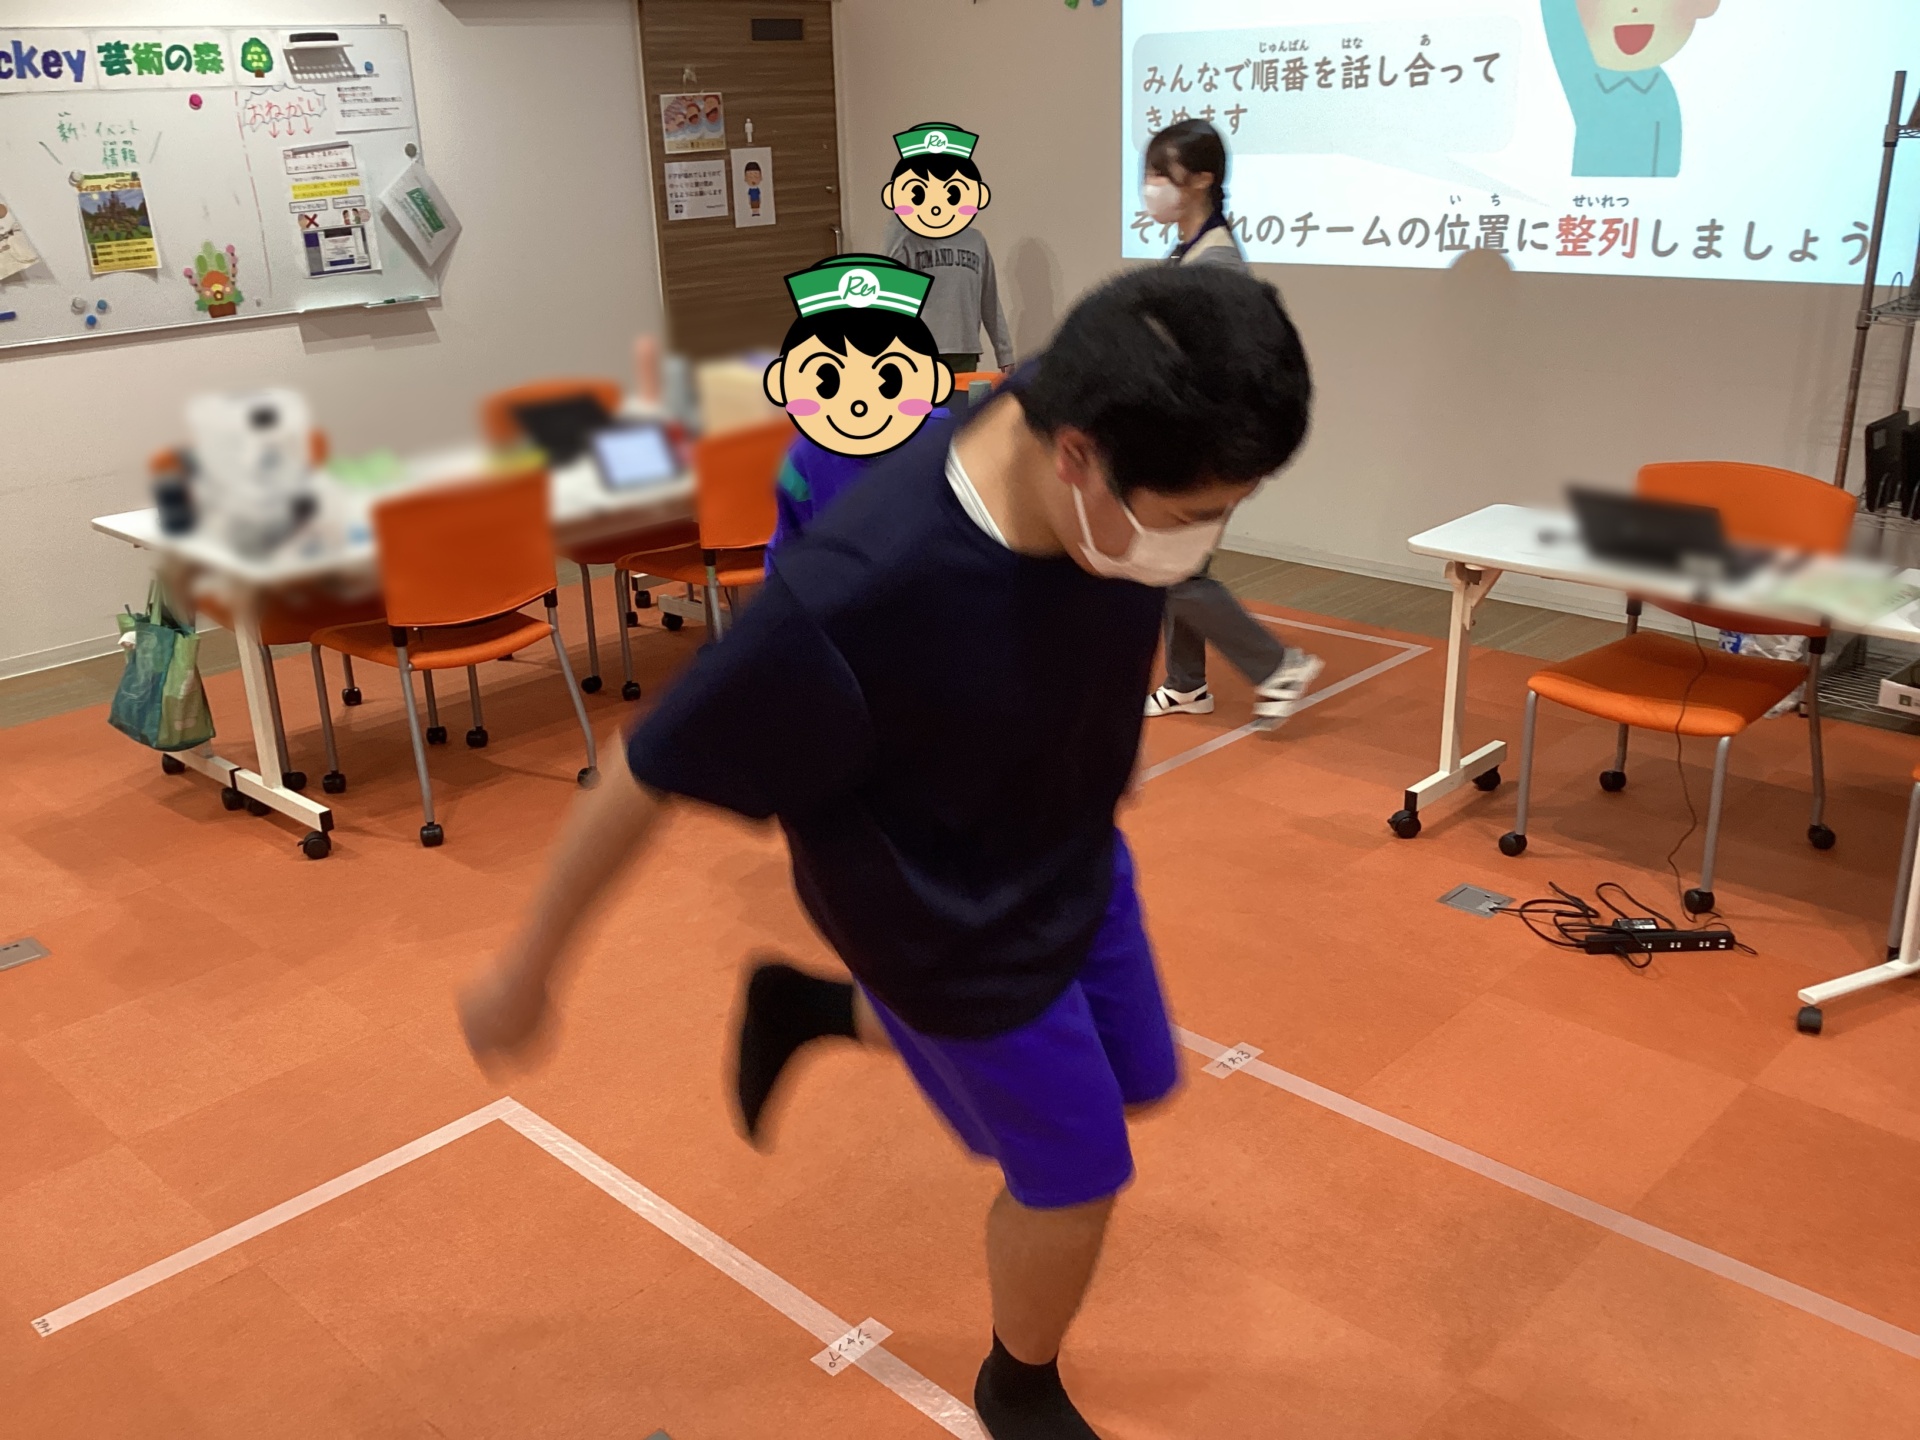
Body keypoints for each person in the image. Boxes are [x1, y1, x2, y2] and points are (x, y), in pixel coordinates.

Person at [459, 263, 1312, 1439]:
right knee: (1076, 1177)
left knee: (1140, 1079)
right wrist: (526, 970)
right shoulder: (854, 597)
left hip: (1067, 843)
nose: (1200, 545)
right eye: (1186, 518)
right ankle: (1018, 1385)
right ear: (1075, 455)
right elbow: (644, 768)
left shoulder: (1083, 402)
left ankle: (812, 1008)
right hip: (940, 913)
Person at [1138, 119, 1324, 729]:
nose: (1151, 186)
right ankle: (1187, 683)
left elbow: (1217, 370)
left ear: (1201, 179)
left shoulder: (1216, 265)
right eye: (1150, 172)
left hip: (1205, 446)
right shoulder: (1190, 252)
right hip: (1189, 440)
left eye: (1163, 173)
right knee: (1181, 562)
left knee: (1168, 566)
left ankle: (1276, 665)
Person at [762, 254, 953, 560]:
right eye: (828, 380)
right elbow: (787, 549)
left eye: (888, 380)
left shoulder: (946, 442)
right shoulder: (801, 456)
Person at [883, 122, 1014, 375]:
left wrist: (1004, 352)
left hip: (965, 350)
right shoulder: (906, 239)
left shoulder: (975, 240)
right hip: (916, 349)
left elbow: (989, 299)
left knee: (961, 401)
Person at [1542, 0, 1722, 178]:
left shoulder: (1659, 91)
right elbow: (1559, 21)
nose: (1634, 7)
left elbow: (1667, 164)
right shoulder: (1588, 76)